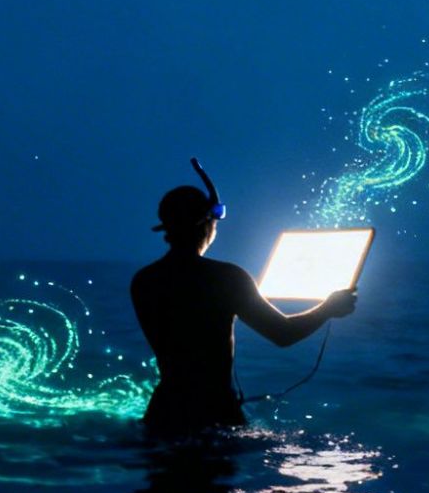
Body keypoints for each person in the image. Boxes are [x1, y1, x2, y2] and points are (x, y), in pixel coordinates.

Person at [130, 177, 356, 438]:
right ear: (206, 223)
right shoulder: (227, 278)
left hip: (164, 412)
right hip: (215, 413)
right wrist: (328, 307)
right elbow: (283, 333)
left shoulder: (144, 280)